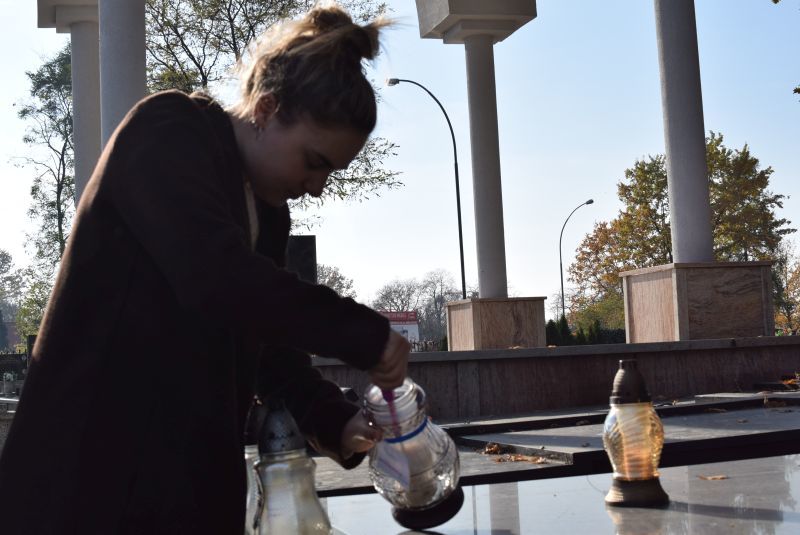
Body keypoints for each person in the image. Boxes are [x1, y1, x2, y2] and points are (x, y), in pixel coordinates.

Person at [0, 4, 407, 533]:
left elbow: (267, 344)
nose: (317, 187)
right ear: (266, 109)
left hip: (184, 493)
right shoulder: (166, 131)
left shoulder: (267, 213)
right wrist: (360, 333)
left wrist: (334, 419)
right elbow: (216, 279)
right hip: (87, 482)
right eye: (314, 162)